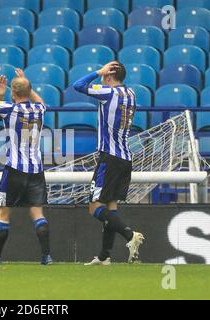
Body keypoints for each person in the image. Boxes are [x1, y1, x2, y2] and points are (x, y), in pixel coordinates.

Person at [0, 63, 52, 265]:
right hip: (36, 170)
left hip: (15, 169)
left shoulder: (11, 109)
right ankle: (46, 256)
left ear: (13, 93)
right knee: (37, 213)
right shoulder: (39, 110)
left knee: (3, 212)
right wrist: (25, 83)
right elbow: (41, 100)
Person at [73, 61, 145, 265]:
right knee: (111, 207)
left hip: (109, 157)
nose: (103, 76)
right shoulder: (131, 93)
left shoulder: (107, 92)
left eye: (106, 73)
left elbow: (78, 85)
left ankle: (130, 235)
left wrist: (97, 71)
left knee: (94, 206)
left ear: (109, 76)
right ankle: (105, 256)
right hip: (125, 158)